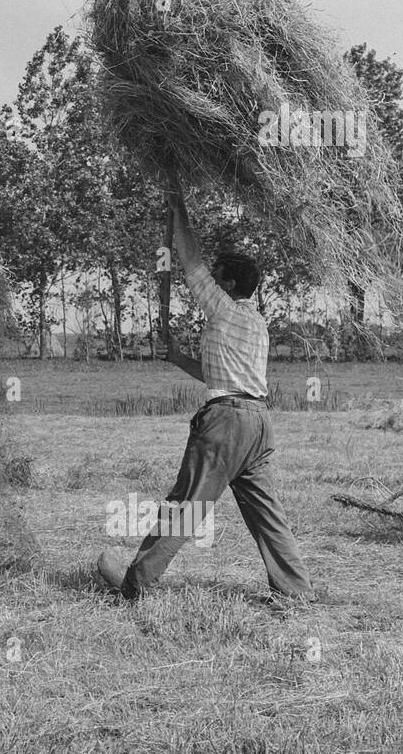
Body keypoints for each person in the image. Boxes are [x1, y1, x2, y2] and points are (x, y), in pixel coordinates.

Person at [97, 184, 314, 604]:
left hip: (227, 422)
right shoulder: (257, 323)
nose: (209, 284)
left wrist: (175, 204)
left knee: (186, 506)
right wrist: (178, 358)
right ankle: (296, 591)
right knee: (267, 514)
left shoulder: (225, 309)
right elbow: (223, 373)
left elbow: (190, 260)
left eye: (218, 279)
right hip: (257, 423)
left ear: (228, 283)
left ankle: (135, 586)